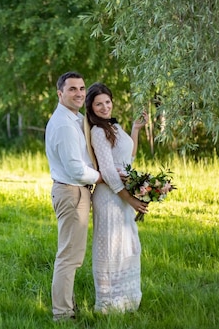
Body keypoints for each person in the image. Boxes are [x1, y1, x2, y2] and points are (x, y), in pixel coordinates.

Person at [83, 82, 148, 313]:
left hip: (122, 193)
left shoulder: (113, 126)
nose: (104, 107)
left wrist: (135, 130)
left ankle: (128, 300)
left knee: (126, 244)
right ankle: (109, 304)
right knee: (111, 246)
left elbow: (128, 158)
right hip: (110, 196)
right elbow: (109, 171)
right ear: (90, 107)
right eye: (98, 104)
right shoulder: (97, 132)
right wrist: (131, 199)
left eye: (107, 102)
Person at [45, 71, 104, 321]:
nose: (79, 93)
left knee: (71, 255)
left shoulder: (75, 119)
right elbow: (75, 169)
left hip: (74, 192)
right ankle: (62, 314)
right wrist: (101, 177)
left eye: (81, 88)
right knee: (69, 257)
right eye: (72, 89)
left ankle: (66, 307)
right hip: (71, 192)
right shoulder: (63, 125)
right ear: (60, 93)